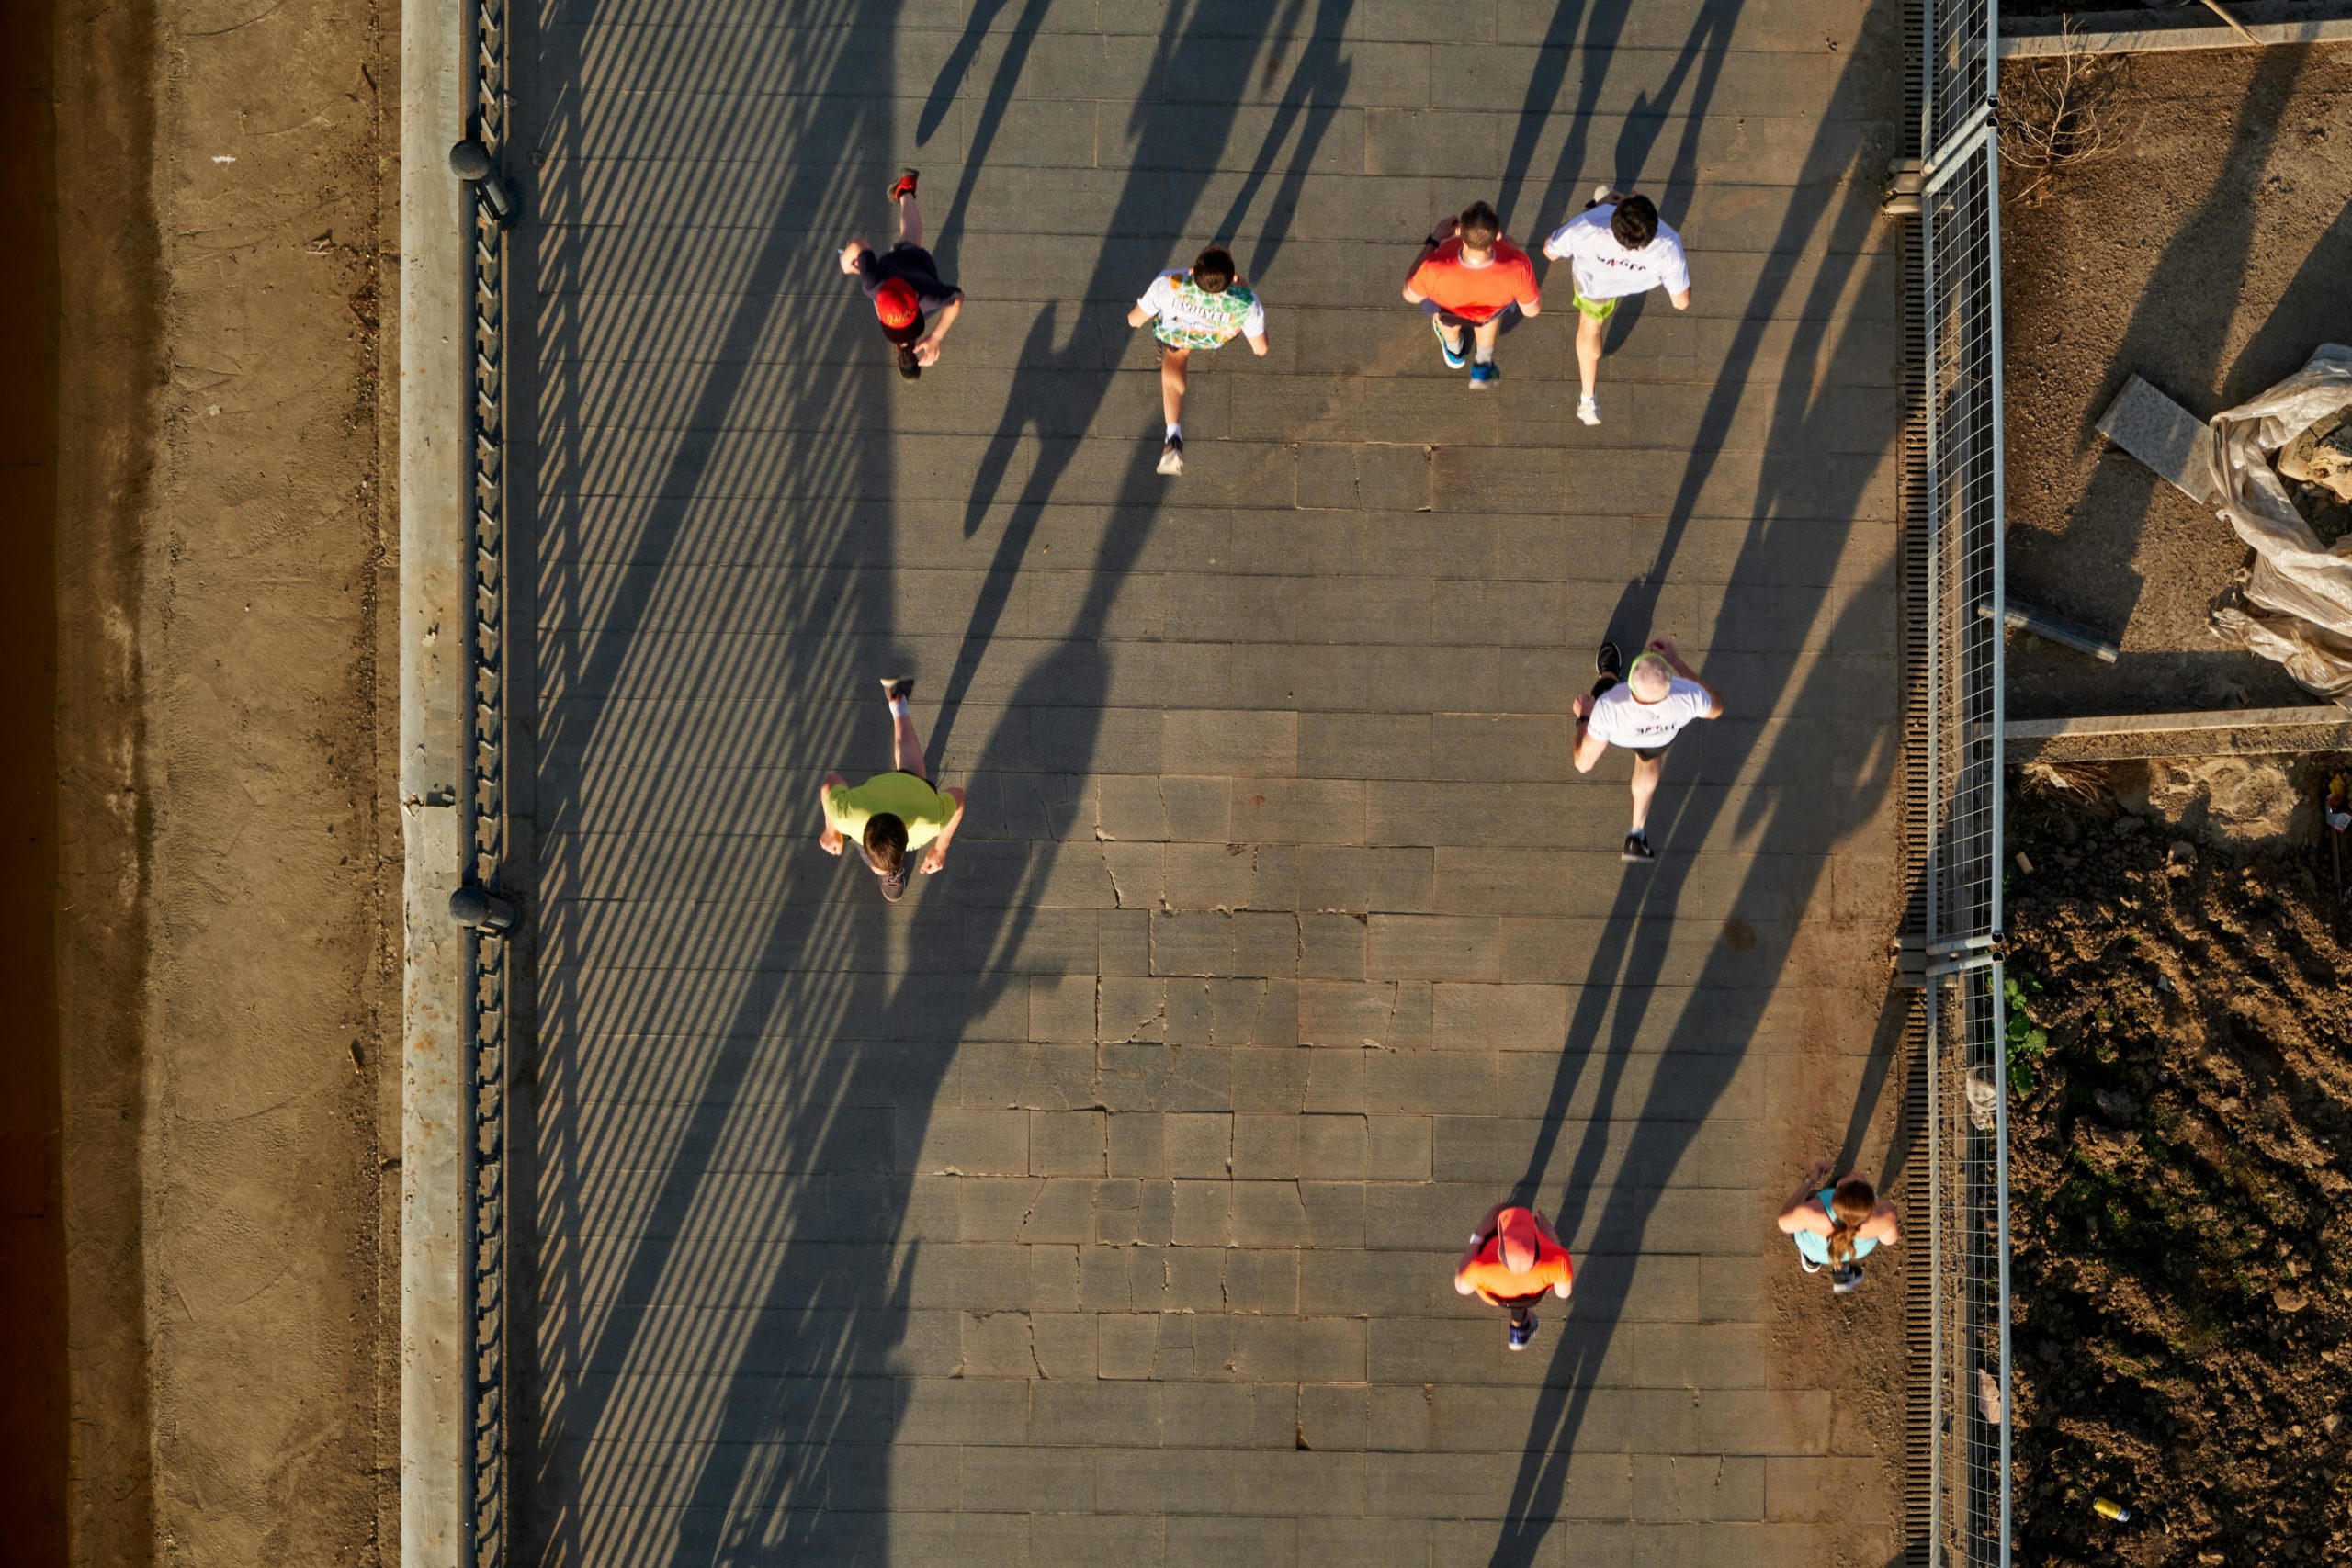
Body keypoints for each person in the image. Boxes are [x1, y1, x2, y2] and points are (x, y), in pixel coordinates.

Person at [1542, 186, 1690, 426]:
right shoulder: (1668, 244)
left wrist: (1600, 206)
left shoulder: (1589, 225)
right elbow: (1681, 302)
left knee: (1590, 326)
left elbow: (1550, 250)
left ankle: (1588, 400)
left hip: (1594, 287)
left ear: (1614, 217)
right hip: (1628, 283)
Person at [1571, 636, 1723, 864]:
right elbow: (1716, 708)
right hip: (1659, 738)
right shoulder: (1688, 695)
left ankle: (1609, 673)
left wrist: (1585, 717)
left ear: (1630, 685)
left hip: (1622, 731)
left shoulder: (1609, 705)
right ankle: (1636, 836)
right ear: (1670, 682)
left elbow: (1583, 763)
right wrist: (1678, 663)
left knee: (1603, 687)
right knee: (1648, 762)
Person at [819, 677, 967, 903]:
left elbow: (831, 782)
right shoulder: (846, 817)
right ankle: (898, 703)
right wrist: (940, 847)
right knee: (909, 760)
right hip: (902, 787)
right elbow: (831, 783)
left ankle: (899, 704)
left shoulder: (928, 822)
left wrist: (832, 829)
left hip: (904, 788)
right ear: (906, 838)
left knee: (879, 866)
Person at [1126, 244, 1269, 476]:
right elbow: (1260, 349)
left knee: (1176, 355)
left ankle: (1173, 434)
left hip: (1176, 333)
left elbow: (1134, 320)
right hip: (1213, 337)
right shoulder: (1246, 302)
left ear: (1193, 271)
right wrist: (1242, 287)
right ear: (1232, 277)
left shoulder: (1169, 283)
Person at [837, 169, 964, 379]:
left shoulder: (929, 295)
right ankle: (904, 190)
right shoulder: (872, 285)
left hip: (919, 263)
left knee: (911, 237)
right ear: (915, 297)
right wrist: (846, 264)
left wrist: (936, 336)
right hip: (904, 261)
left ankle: (905, 190)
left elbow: (957, 299)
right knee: (909, 237)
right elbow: (859, 244)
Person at [1403, 200, 1541, 388]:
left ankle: (1455, 354)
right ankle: (1483, 364)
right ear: (1498, 235)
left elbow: (1410, 295)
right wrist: (1513, 249)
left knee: (1446, 324)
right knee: (1490, 321)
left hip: (1449, 309)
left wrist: (1434, 239)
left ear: (1458, 231)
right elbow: (1531, 311)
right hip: (1489, 310)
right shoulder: (1518, 265)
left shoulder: (1435, 266)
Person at [1454, 1201, 1574, 1350]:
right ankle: (1519, 1330)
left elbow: (1461, 1288)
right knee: (1521, 1298)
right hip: (1534, 1290)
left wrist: (1479, 1234)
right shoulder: (1559, 1260)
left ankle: (1520, 1329)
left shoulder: (1480, 1268)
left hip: (1497, 1294)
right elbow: (1563, 1294)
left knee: (1515, 1297)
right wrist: (1552, 1238)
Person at [1776, 1160, 1901, 1293]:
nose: (1853, 1172)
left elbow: (1784, 1223)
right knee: (1846, 1245)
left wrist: (1810, 1181)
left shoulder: (1812, 1212)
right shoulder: (1886, 1215)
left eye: (1850, 1179)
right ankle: (1842, 1270)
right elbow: (1888, 1241)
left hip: (1816, 1251)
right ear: (1872, 1200)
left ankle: (1811, 1260)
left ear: (1834, 1196)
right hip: (1854, 1251)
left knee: (1809, 1198)